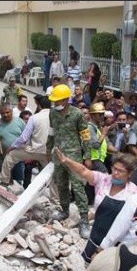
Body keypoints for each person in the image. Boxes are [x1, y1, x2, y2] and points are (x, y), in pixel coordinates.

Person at [54, 149, 137, 263]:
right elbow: (84, 171)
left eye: (120, 171)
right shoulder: (103, 180)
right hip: (96, 235)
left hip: (116, 243)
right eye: (114, 168)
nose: (115, 173)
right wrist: (66, 161)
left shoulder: (134, 194)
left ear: (129, 174)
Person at [47, 84, 93, 238]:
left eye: (58, 101)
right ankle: (64, 210)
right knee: (61, 185)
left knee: (78, 188)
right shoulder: (53, 114)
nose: (55, 104)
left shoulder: (77, 114)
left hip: (74, 158)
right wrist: (48, 150)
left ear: (66, 100)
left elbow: (85, 136)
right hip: (58, 156)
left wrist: (87, 156)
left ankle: (84, 220)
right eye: (54, 101)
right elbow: (51, 133)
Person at [0, 94, 52, 186]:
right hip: (49, 152)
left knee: (10, 156)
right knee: (51, 171)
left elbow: (24, 138)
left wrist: (12, 147)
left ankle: (4, 181)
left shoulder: (34, 118)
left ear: (39, 105)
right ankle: (55, 193)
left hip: (34, 150)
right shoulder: (55, 117)